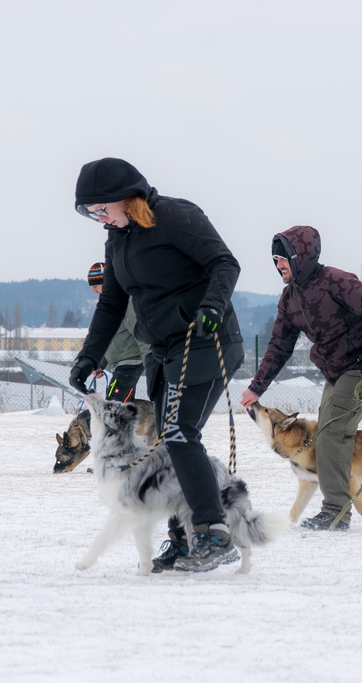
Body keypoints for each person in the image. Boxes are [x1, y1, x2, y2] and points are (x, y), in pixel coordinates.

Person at [68, 157, 244, 572]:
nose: (99, 218)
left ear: (126, 197)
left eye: (101, 209)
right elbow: (112, 303)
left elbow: (224, 263)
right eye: (91, 213)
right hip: (162, 349)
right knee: (168, 443)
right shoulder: (117, 240)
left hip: (206, 339)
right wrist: (90, 355)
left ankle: (213, 534)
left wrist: (212, 307)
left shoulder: (177, 217)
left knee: (180, 433)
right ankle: (183, 540)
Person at [238, 225, 362, 531]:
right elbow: (280, 346)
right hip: (335, 372)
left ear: (300, 257)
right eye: (275, 259)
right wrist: (256, 387)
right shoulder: (289, 298)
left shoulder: (336, 281)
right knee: (328, 439)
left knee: (332, 435)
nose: (278, 264)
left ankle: (336, 511)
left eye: (283, 258)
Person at [81, 262, 150, 403]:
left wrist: (152, 363)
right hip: (121, 364)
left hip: (131, 363)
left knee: (113, 405)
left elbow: (142, 334)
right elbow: (109, 338)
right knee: (122, 409)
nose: (93, 291)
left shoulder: (126, 303)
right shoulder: (110, 306)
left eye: (95, 286)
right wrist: (100, 364)